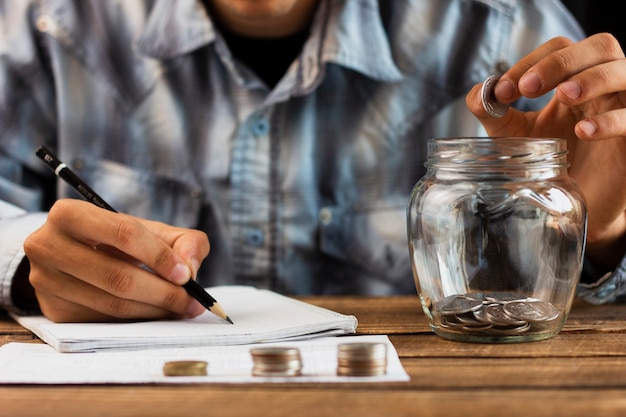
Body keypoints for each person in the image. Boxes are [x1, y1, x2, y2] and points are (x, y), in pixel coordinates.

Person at [0, 0, 624, 323]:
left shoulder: (507, 33)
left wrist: (596, 231)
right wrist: (30, 269)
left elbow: (561, 308)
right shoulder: (42, 28)